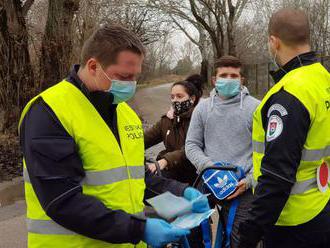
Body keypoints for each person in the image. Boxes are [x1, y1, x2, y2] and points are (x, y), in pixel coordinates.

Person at [19, 24, 209, 248]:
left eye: (135, 76)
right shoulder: (49, 111)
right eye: (124, 76)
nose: (131, 84)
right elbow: (61, 199)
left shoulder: (124, 113)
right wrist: (139, 229)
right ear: (93, 66)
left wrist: (180, 191)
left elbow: (136, 176)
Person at [238, 8, 330, 248]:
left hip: (292, 221)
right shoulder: (322, 78)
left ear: (273, 42)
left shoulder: (289, 95)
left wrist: (249, 234)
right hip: (321, 206)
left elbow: (277, 176)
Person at [185, 56, 260, 247]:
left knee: (240, 239)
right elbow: (191, 145)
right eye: (223, 75)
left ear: (242, 79)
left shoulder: (256, 108)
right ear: (214, 80)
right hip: (209, 179)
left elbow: (265, 152)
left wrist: (249, 180)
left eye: (234, 75)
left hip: (243, 185)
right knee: (191, 231)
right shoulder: (202, 108)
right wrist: (210, 168)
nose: (228, 79)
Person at [144, 74, 204, 186]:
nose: (175, 100)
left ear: (192, 99)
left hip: (194, 174)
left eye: (179, 96)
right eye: (172, 97)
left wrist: (166, 160)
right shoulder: (167, 120)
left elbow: (192, 149)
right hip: (171, 169)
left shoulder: (199, 119)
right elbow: (146, 138)